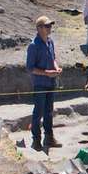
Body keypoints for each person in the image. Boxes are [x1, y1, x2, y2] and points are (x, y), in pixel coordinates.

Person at [25, 16, 62, 152]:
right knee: (38, 112)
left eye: (50, 26)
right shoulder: (33, 45)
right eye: (47, 26)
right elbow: (30, 68)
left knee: (49, 111)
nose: (49, 28)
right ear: (39, 28)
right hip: (40, 83)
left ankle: (49, 137)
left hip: (50, 82)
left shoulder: (50, 42)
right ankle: (36, 140)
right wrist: (47, 73)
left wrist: (56, 68)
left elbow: (53, 58)